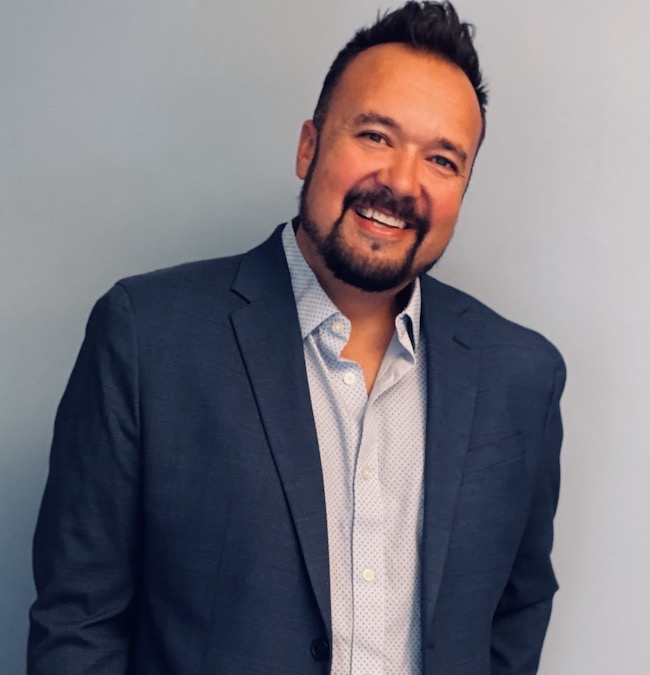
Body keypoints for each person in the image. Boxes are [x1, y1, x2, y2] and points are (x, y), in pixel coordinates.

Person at [27, 2, 565, 673]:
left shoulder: (523, 376)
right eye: (375, 135)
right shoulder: (146, 338)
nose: (402, 182)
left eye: (442, 160)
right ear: (309, 146)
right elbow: (79, 623)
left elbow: (517, 610)